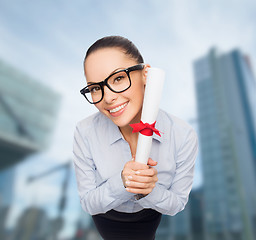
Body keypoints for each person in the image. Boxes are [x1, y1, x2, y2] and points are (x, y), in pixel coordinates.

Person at [73, 36, 198, 240]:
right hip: (106, 217)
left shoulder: (182, 135)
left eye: (118, 78)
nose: (108, 97)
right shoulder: (85, 132)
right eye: (95, 88)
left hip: (147, 218)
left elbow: (177, 204)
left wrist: (150, 191)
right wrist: (122, 182)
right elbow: (88, 202)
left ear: (145, 74)